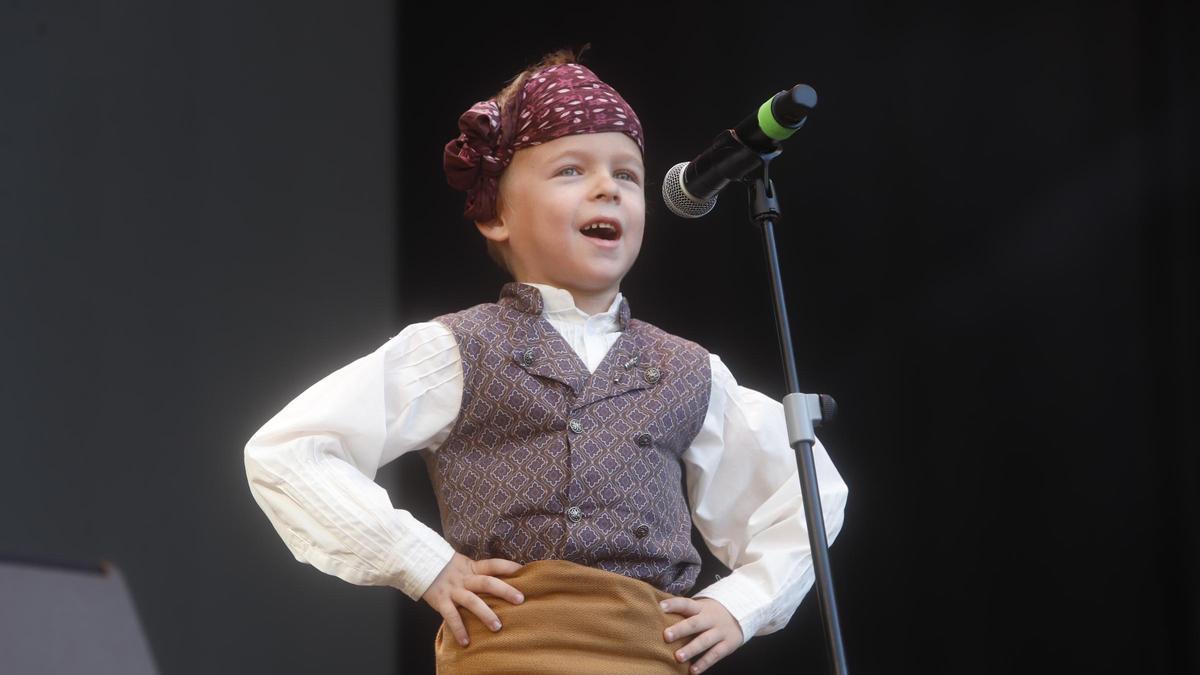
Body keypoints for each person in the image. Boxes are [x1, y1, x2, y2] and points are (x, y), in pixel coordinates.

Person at [244, 49, 849, 675]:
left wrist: (743, 602)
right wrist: (421, 562)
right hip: (509, 651)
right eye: (570, 170)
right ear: (498, 214)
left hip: (646, 654)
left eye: (627, 175)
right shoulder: (458, 349)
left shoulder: (687, 369)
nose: (606, 187)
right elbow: (291, 451)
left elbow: (809, 492)